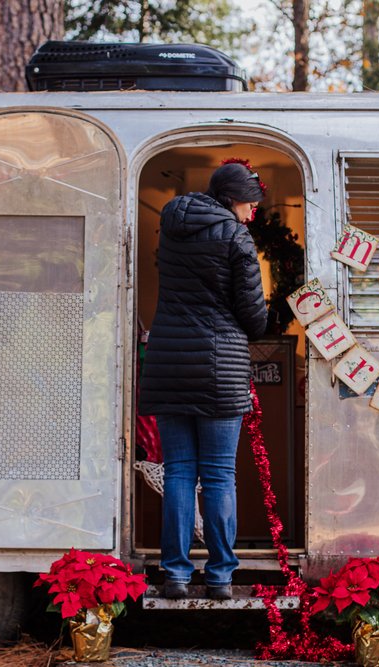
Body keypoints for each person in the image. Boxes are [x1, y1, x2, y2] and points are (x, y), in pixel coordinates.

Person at [139, 160, 269, 600]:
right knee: (217, 475)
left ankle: (175, 573)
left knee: (178, 472)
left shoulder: (172, 226)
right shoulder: (236, 236)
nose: (253, 210)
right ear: (234, 198)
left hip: (170, 361)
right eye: (251, 201)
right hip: (219, 366)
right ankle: (219, 577)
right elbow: (254, 319)